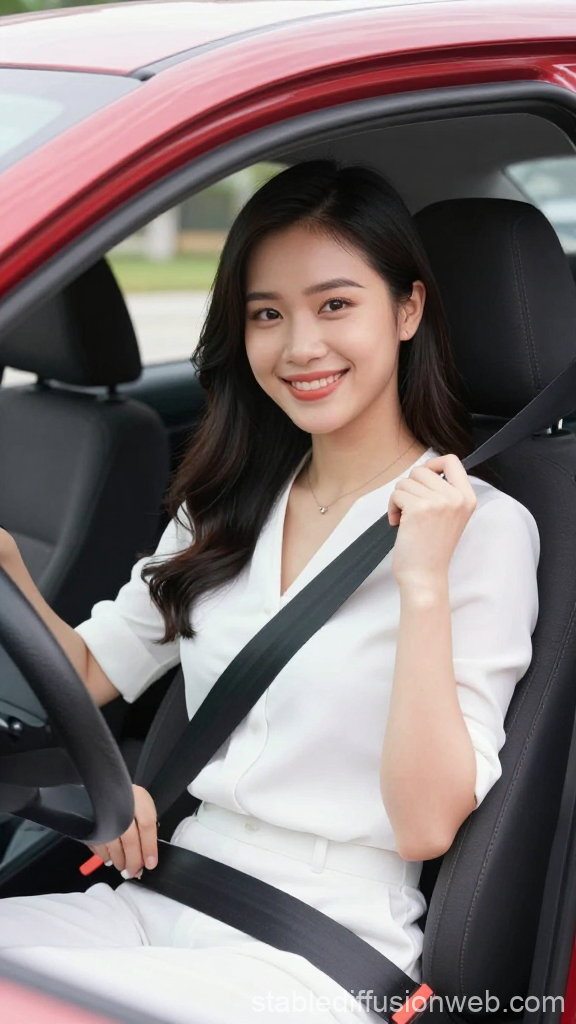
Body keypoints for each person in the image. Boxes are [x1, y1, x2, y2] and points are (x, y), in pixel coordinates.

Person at [0, 162, 539, 1024]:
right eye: (267, 314)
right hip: (162, 893)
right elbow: (91, 671)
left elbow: (425, 826)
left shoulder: (482, 528)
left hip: (319, 943)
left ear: (407, 310)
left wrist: (423, 584)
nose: (299, 348)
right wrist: (11, 575)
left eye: (335, 305)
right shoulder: (227, 502)